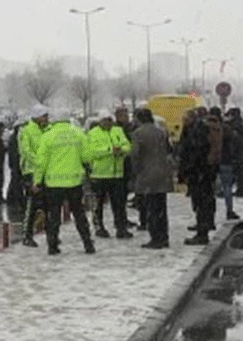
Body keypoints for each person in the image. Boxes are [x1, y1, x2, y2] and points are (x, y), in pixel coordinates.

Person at [33, 111, 95, 255]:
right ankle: (88, 244)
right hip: (74, 182)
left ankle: (52, 246)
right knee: (79, 214)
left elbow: (41, 162)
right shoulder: (78, 133)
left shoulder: (48, 136)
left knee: (54, 215)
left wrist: (37, 181)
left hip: (53, 184)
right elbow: (87, 156)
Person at [131, 108, 173, 249]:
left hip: (147, 174)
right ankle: (164, 236)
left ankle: (155, 238)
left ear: (140, 119)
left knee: (151, 208)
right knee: (161, 207)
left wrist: (136, 172)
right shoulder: (161, 132)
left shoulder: (138, 134)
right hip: (162, 173)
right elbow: (168, 150)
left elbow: (135, 155)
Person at [86, 111, 133, 239]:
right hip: (99, 175)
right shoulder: (92, 134)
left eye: (109, 120)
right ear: (99, 121)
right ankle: (99, 227)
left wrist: (121, 150)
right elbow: (91, 153)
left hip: (117, 174)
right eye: (104, 120)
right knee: (98, 204)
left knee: (119, 203)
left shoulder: (118, 131)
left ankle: (121, 228)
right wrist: (109, 151)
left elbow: (128, 146)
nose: (107, 123)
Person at [178, 109, 217, 245]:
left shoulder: (197, 131)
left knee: (201, 203)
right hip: (203, 173)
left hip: (200, 173)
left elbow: (195, 152)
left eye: (185, 118)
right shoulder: (198, 129)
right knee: (203, 202)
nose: (183, 121)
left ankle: (202, 233)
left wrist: (191, 169)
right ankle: (203, 229)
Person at [19, 105, 51, 248]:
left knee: (48, 203)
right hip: (31, 172)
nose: (46, 119)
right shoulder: (26, 131)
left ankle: (50, 232)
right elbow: (25, 151)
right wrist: (39, 162)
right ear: (37, 116)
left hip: (45, 171)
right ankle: (27, 235)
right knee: (32, 204)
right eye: (44, 116)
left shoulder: (47, 130)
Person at [226, 108, 243, 198]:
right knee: (241, 172)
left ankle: (229, 189)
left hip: (234, 152)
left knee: (232, 171)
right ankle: (241, 190)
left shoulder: (232, 126)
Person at [5, 118, 26, 211]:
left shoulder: (15, 137)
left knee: (14, 182)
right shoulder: (15, 138)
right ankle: (18, 202)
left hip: (17, 164)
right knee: (16, 183)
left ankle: (11, 199)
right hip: (16, 164)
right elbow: (14, 153)